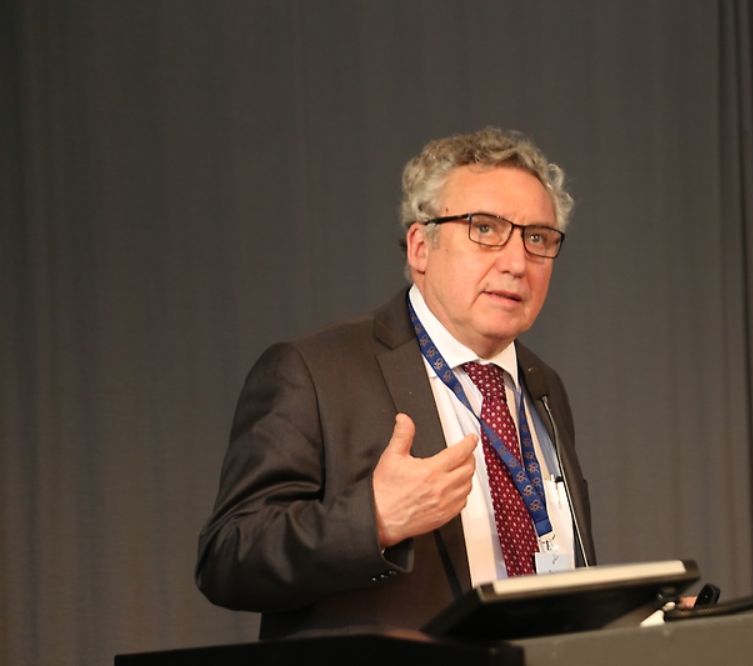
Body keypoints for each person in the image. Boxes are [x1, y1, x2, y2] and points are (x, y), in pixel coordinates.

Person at [196, 127, 596, 640]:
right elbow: (227, 559)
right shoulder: (314, 371)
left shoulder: (542, 386)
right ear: (420, 247)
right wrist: (375, 520)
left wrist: (633, 618)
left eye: (536, 237)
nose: (517, 262)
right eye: (485, 229)